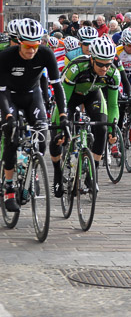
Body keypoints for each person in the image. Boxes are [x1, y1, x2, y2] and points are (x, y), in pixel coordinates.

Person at [0, 19, 68, 211]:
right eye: (28, 46)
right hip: (10, 97)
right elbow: (2, 92)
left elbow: (57, 85)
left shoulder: (46, 54)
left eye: (35, 46)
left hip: (32, 95)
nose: (31, 51)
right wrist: (8, 117)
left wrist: (63, 115)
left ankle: (33, 171)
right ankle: (9, 186)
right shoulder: (6, 56)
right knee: (12, 138)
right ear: (19, 41)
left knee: (41, 137)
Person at [49, 37, 120, 197]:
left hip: (92, 95)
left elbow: (113, 106)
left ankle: (91, 175)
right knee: (57, 135)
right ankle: (57, 173)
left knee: (102, 127)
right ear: (92, 59)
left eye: (108, 64)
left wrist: (112, 128)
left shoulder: (113, 73)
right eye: (100, 64)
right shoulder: (77, 67)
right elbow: (63, 102)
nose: (104, 68)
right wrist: (61, 125)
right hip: (70, 97)